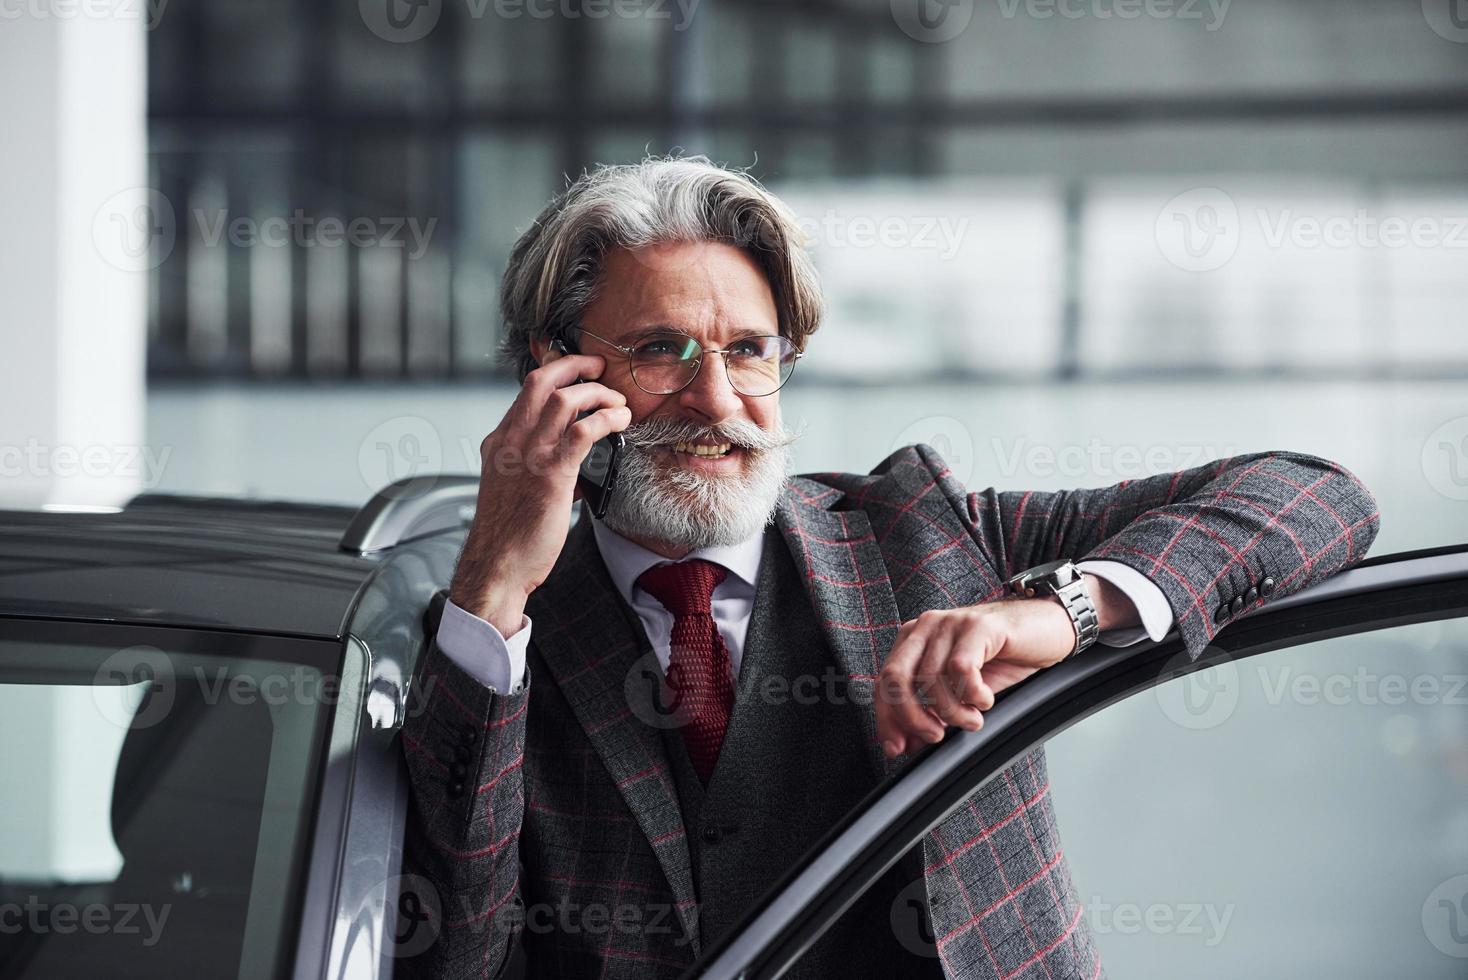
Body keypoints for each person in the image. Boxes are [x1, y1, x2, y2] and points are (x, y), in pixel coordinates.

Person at [398, 156, 1379, 979]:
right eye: (663, 348)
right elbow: (457, 948)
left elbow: (1310, 494)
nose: (715, 396)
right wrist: (493, 583)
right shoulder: (489, 641)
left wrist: (1058, 609)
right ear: (554, 368)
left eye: (750, 350)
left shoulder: (926, 533)